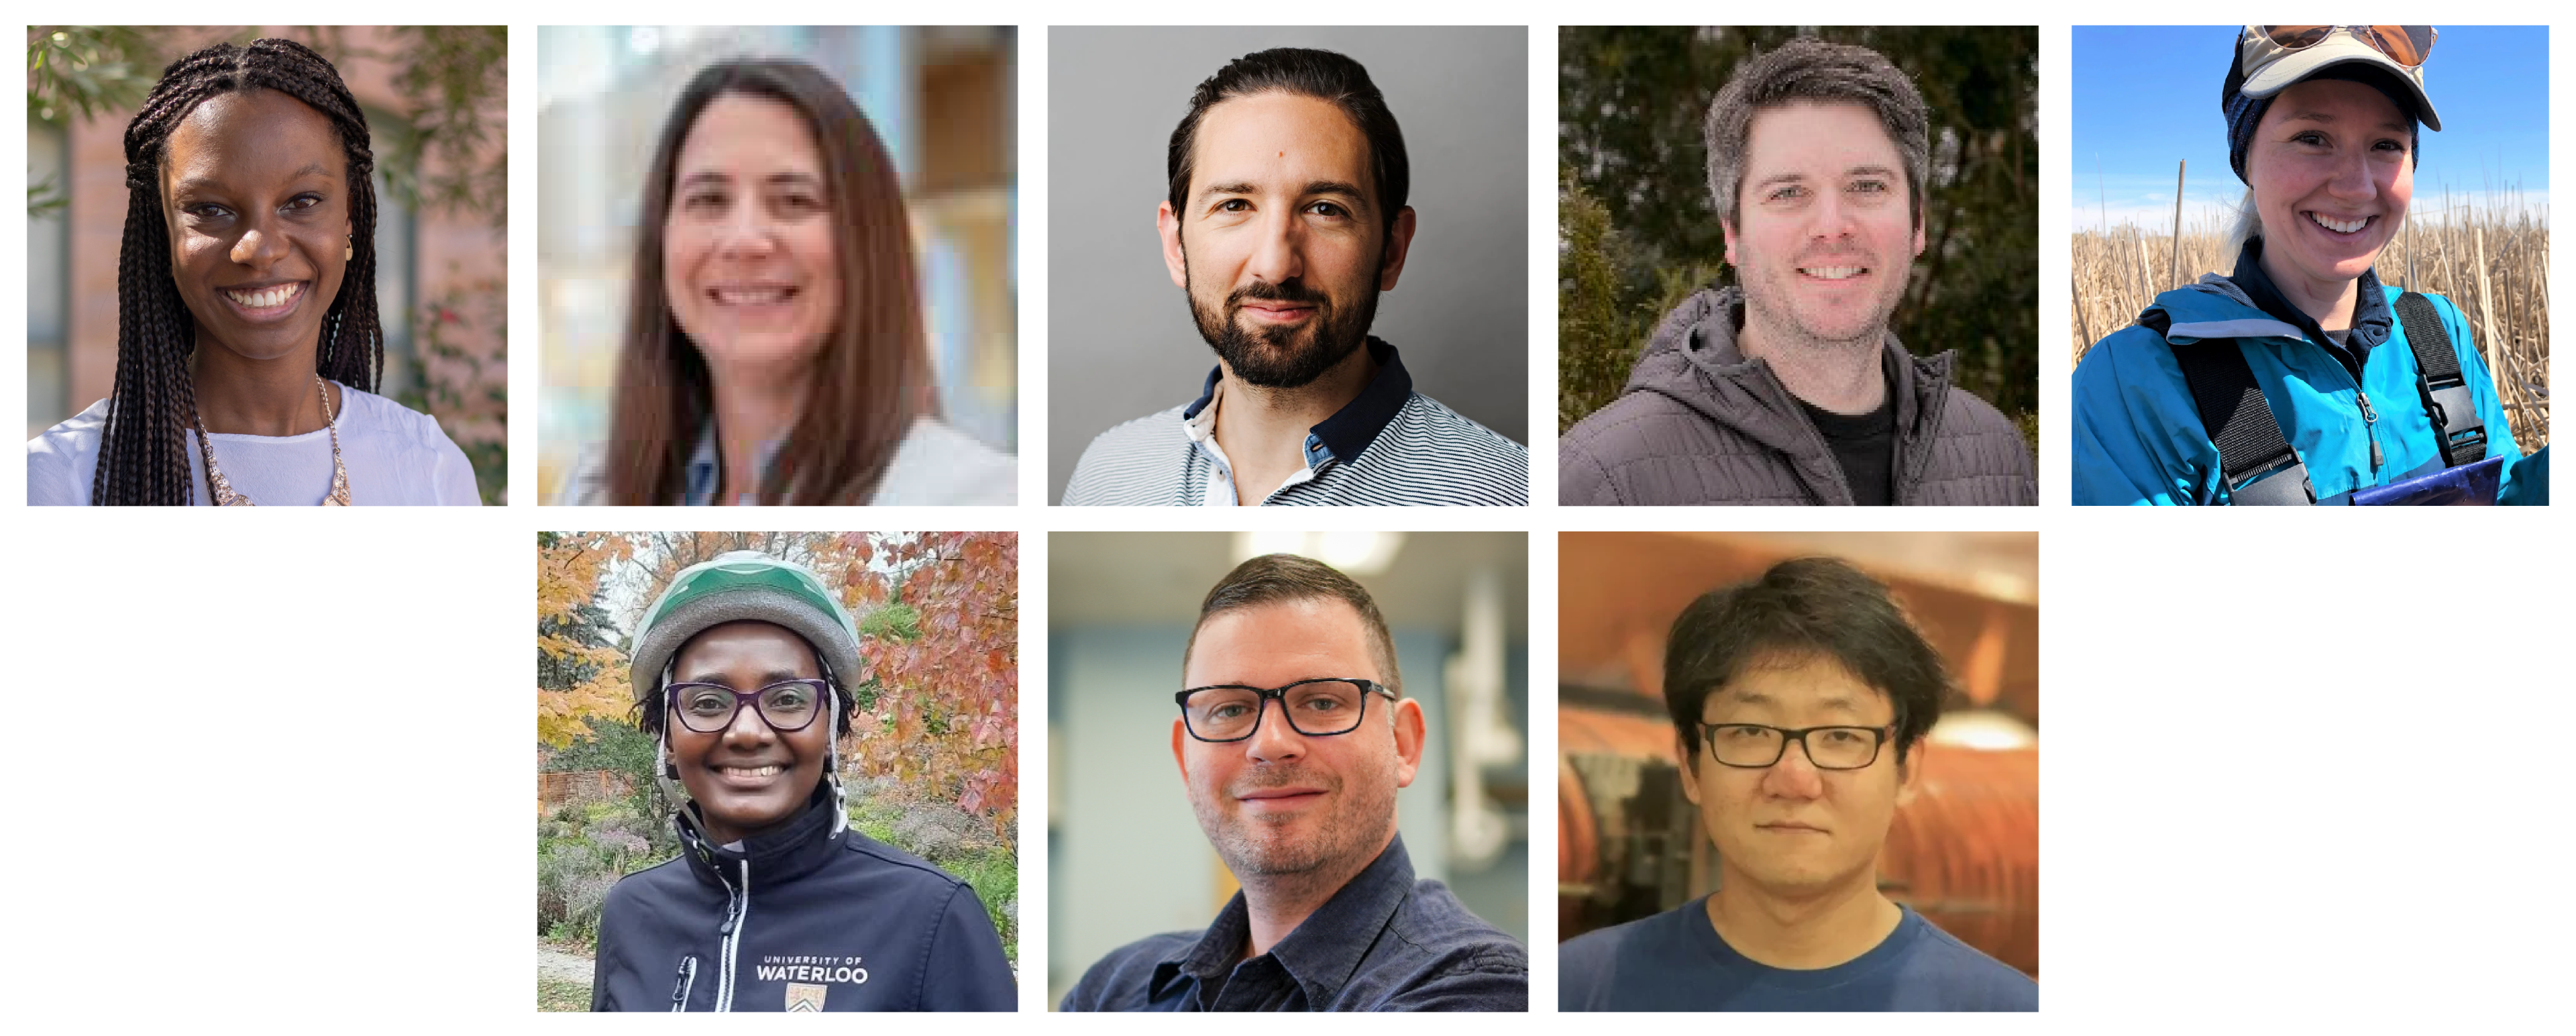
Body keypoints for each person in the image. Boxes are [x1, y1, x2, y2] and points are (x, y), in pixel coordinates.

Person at [2073, 25, 2540, 505]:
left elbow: (2501, 503)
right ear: (2246, 160)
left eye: (2386, 145)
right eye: (2312, 137)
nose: (2357, 188)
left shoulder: (2437, 332)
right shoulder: (2133, 383)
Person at [1557, 38, 2036, 507]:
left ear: (1917, 224)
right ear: (1732, 233)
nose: (1832, 227)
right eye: (1788, 193)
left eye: (1867, 186)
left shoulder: (1996, 451)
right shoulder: (1604, 481)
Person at [1558, 557, 2037, 1011]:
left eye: (1840, 736)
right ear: (1691, 767)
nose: (1794, 779)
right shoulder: (1574, 992)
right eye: (1749, 732)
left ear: (1907, 770)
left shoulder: (2008, 1013)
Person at [1058, 48, 1528, 507]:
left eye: (1326, 209)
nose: (1276, 265)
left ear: (1392, 248)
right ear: (1175, 244)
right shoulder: (1103, 476)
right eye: (1235, 206)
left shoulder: (1513, 495)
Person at [25, 38, 480, 506]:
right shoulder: (61, 481)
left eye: (302, 202)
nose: (260, 248)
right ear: (163, 233)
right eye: (211, 209)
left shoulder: (426, 466)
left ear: (349, 221)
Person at [1061, 554, 1526, 1011]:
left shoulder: (1474, 988)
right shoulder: (1113, 989)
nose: (1270, 743)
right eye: (1230, 709)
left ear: (1403, 744)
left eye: (1321, 702)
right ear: (1186, 761)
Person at [553, 58, 1016, 507]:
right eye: (710, 199)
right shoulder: (589, 495)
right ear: (662, 237)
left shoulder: (985, 502)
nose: (744, 240)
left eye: (794, 200)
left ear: (866, 242)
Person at [590, 552, 1016, 1012]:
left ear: (831, 730)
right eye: (708, 702)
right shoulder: (632, 912)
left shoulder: (933, 918)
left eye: (788, 699)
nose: (747, 732)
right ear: (668, 737)